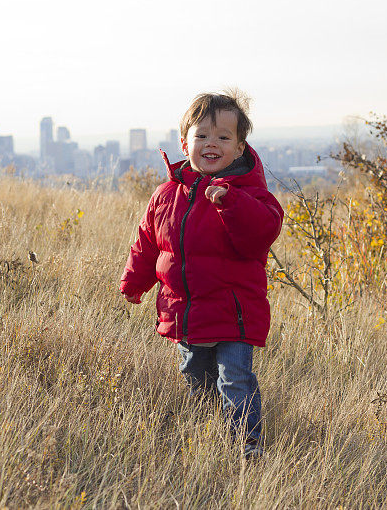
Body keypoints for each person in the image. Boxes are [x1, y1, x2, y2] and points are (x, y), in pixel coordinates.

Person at [119, 92, 283, 459]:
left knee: (235, 380)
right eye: (202, 136)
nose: (212, 144)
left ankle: (248, 446)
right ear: (184, 143)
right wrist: (134, 281)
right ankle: (205, 438)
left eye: (224, 137)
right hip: (187, 311)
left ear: (240, 148)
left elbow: (263, 232)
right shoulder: (165, 196)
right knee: (196, 378)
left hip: (234, 312)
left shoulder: (250, 194)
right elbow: (148, 243)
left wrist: (230, 202)